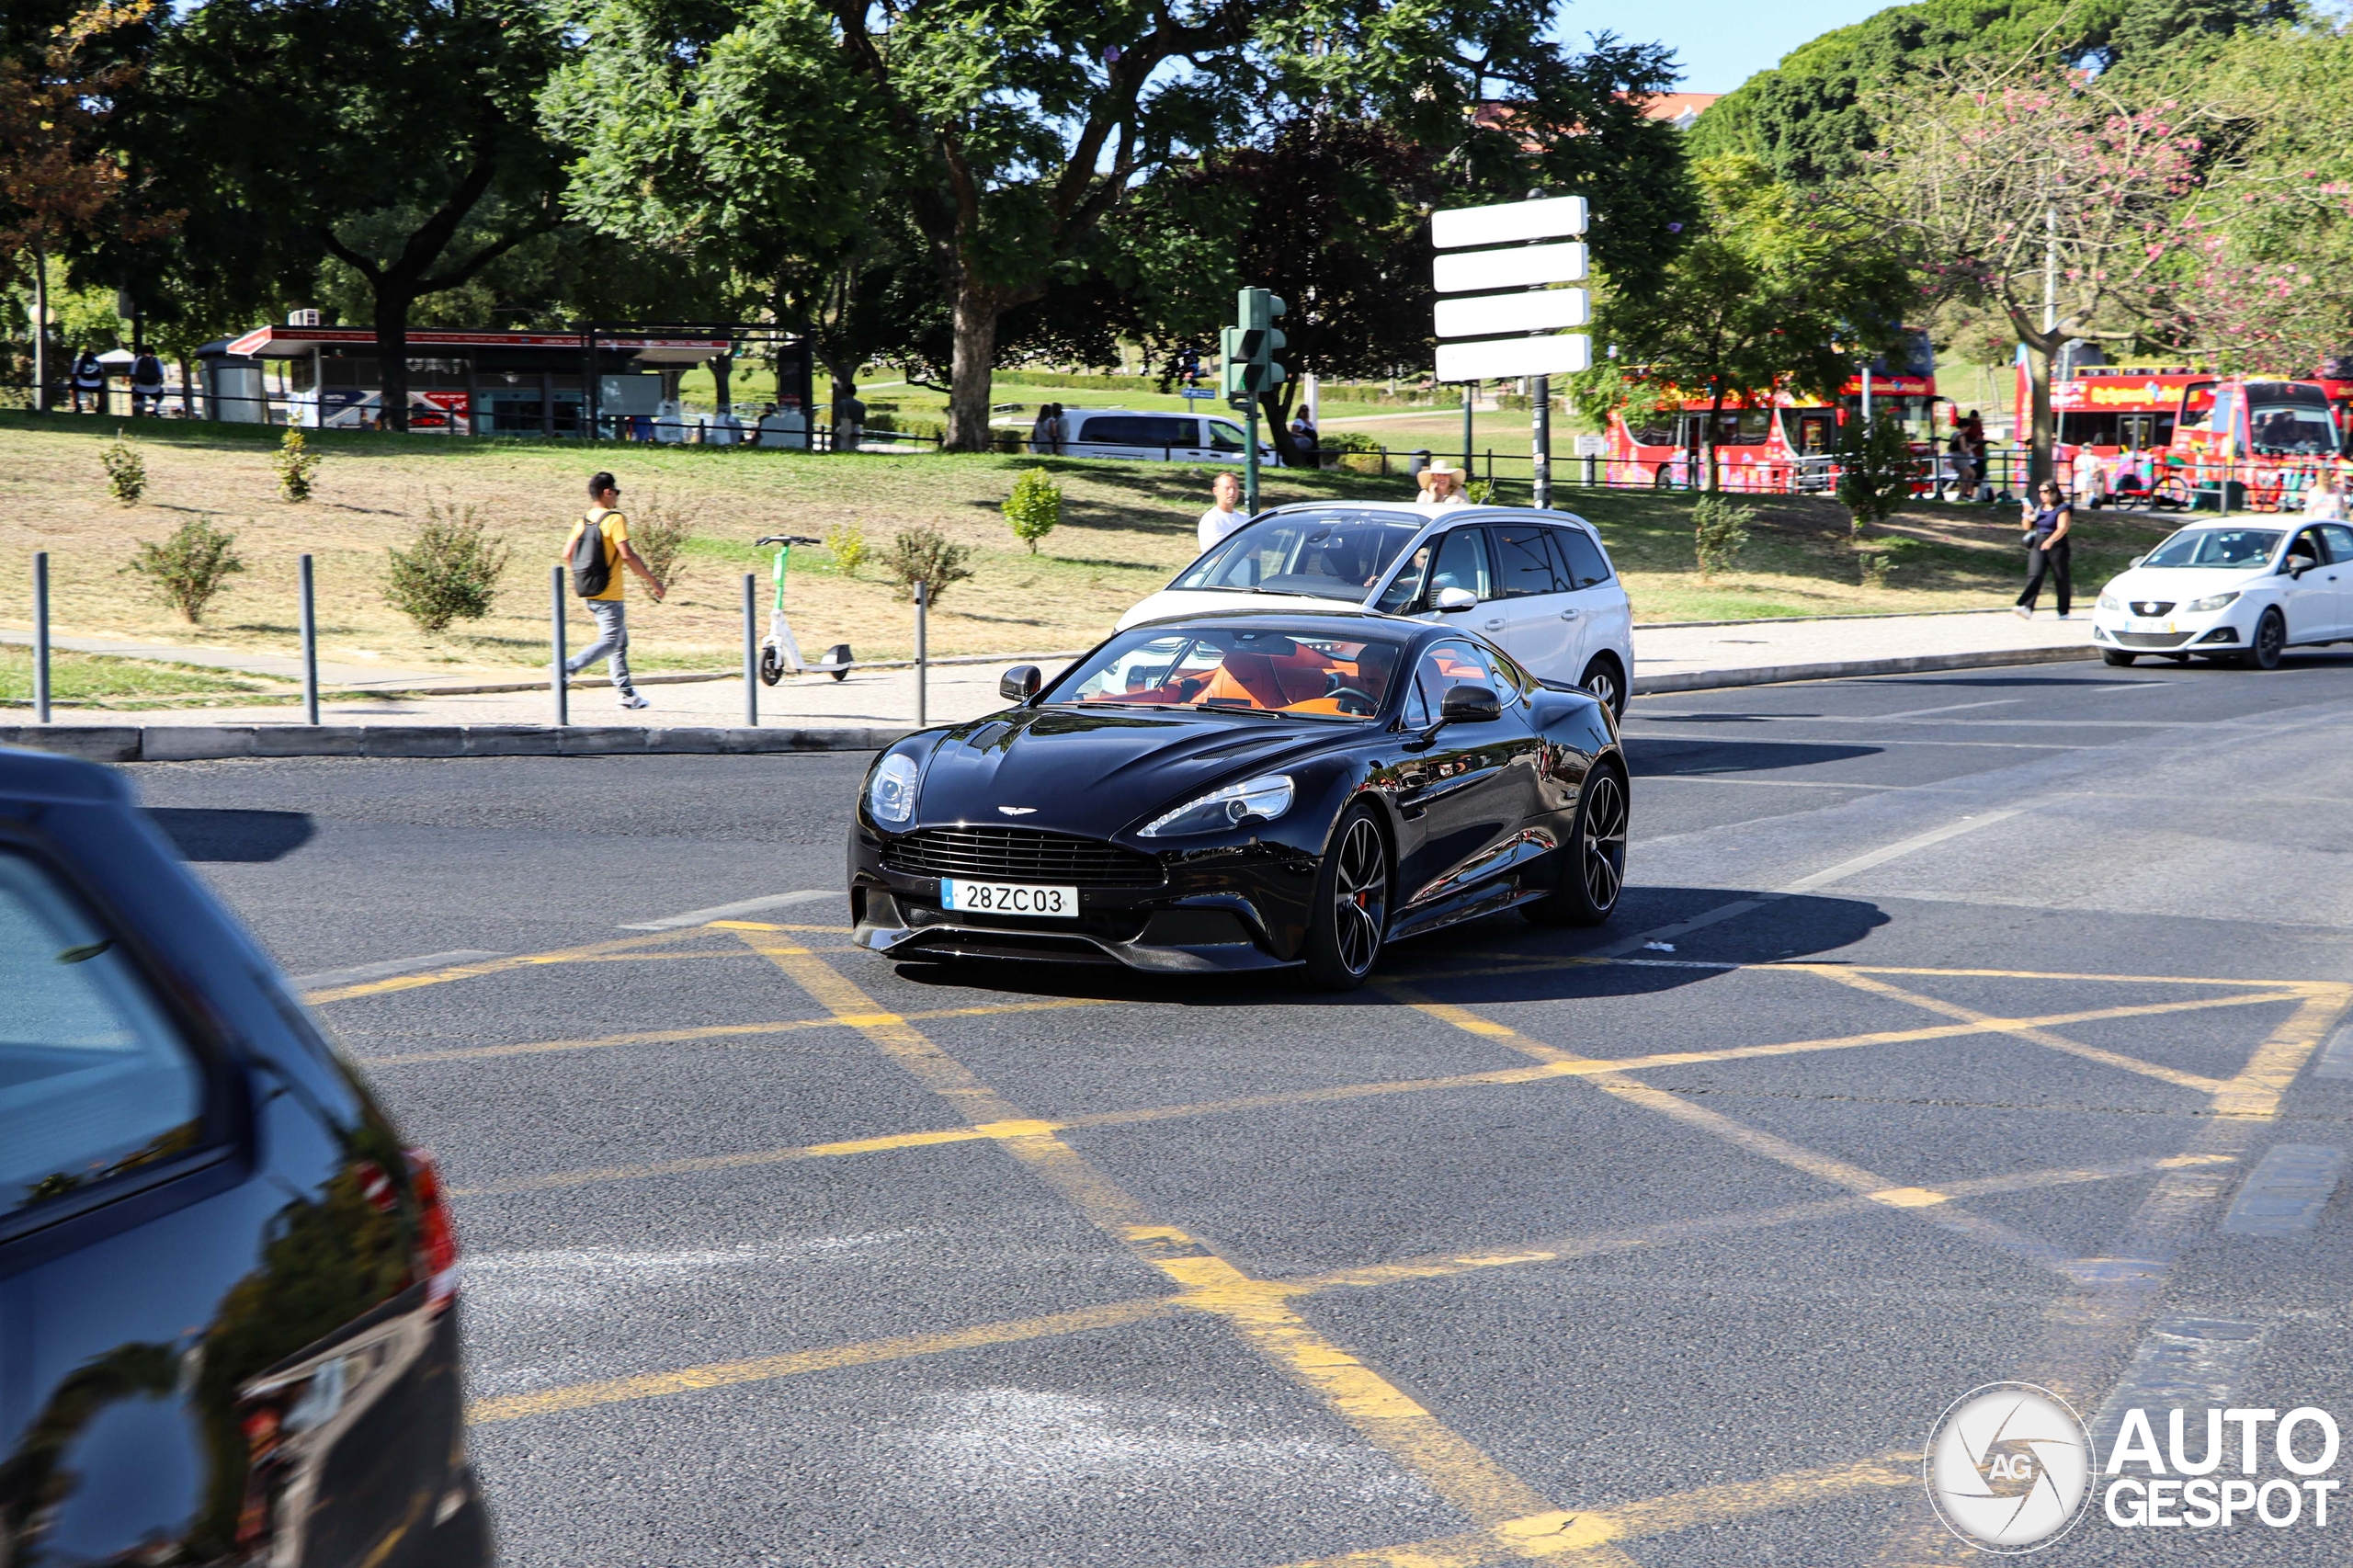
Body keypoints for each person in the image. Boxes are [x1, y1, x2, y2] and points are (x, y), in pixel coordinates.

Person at [559, 472, 666, 710]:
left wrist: (585, 577)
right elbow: (627, 555)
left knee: (619, 641)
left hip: (589, 591)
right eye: (616, 492)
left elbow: (567, 554)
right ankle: (568, 667)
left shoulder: (583, 520)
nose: (617, 497)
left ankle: (626, 693)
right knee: (610, 640)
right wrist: (653, 581)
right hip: (610, 593)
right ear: (608, 492)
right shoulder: (614, 519)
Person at [2015, 478, 2073, 619]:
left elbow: (2063, 528)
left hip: (2057, 544)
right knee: (2035, 575)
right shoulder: (2038, 508)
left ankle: (2063, 611)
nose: (2042, 494)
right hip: (2038, 542)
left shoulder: (2062, 508)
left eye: (2046, 491)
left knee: (2061, 578)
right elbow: (2027, 527)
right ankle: (2026, 606)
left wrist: (2051, 540)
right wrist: (2026, 514)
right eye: (2040, 492)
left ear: (2053, 492)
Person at [1198, 471, 1248, 552]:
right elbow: (1217, 555)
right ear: (1215, 491)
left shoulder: (1245, 518)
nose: (1232, 493)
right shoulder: (1211, 519)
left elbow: (1255, 553)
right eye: (1227, 488)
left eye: (1235, 488)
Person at [131, 350, 165, 417]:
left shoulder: (137, 361)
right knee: (161, 394)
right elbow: (161, 377)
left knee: (136, 394)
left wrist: (136, 384)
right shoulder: (157, 361)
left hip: (140, 388)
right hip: (155, 388)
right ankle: (155, 408)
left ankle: (140, 407)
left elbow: (133, 376)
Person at [2070, 443, 2104, 510]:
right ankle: (2084, 508)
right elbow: (2074, 467)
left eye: (2090, 449)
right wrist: (2083, 469)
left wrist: (2095, 470)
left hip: (2092, 477)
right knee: (2084, 492)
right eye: (2087, 449)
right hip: (2083, 476)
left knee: (2092, 493)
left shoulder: (2095, 458)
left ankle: (2091, 506)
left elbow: (2100, 467)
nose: (2089, 450)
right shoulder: (2080, 457)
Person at [70, 348, 104, 415]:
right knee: (103, 390)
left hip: (81, 383)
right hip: (96, 384)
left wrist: (73, 382)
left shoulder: (79, 362)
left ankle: (77, 405)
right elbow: (102, 374)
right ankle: (100, 407)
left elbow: (74, 374)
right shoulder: (98, 363)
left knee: (72, 388)